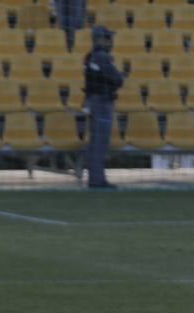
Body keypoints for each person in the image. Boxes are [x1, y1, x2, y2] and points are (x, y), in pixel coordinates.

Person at [82, 25, 124, 190]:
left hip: (94, 101)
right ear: (99, 39)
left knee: (95, 142)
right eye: (106, 38)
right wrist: (121, 76)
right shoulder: (101, 57)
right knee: (100, 142)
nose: (109, 41)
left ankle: (95, 178)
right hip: (102, 102)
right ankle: (97, 180)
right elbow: (117, 79)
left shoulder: (90, 56)